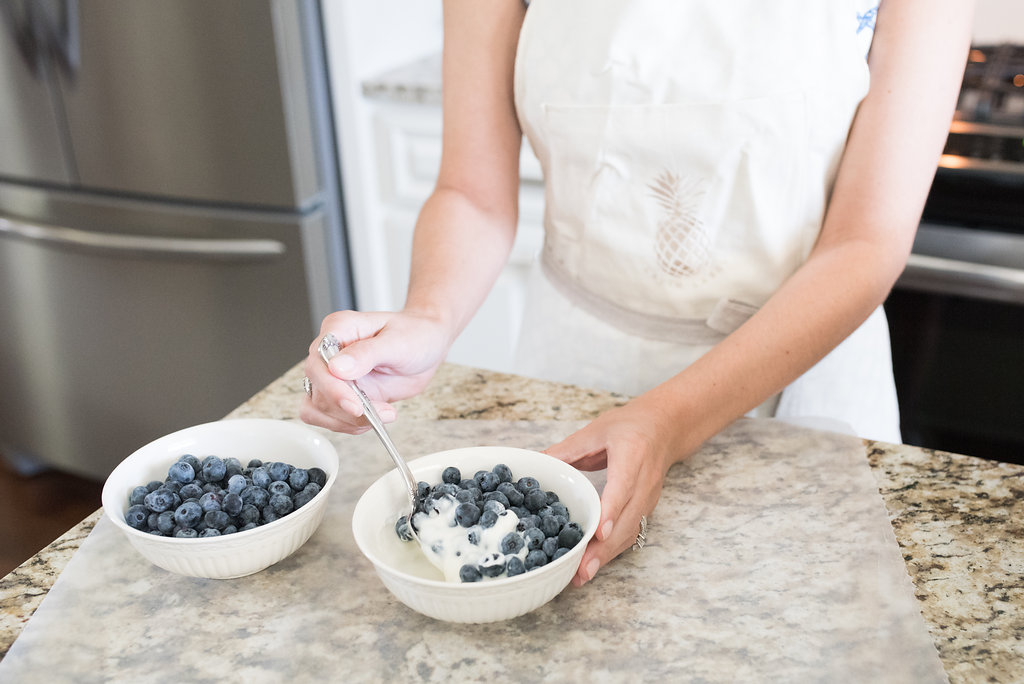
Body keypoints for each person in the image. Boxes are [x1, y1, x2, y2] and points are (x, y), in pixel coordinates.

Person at [301, 0, 975, 586]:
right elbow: (472, 193)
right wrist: (428, 316)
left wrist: (665, 420)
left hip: (803, 376)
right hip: (576, 376)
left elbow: (864, 244)